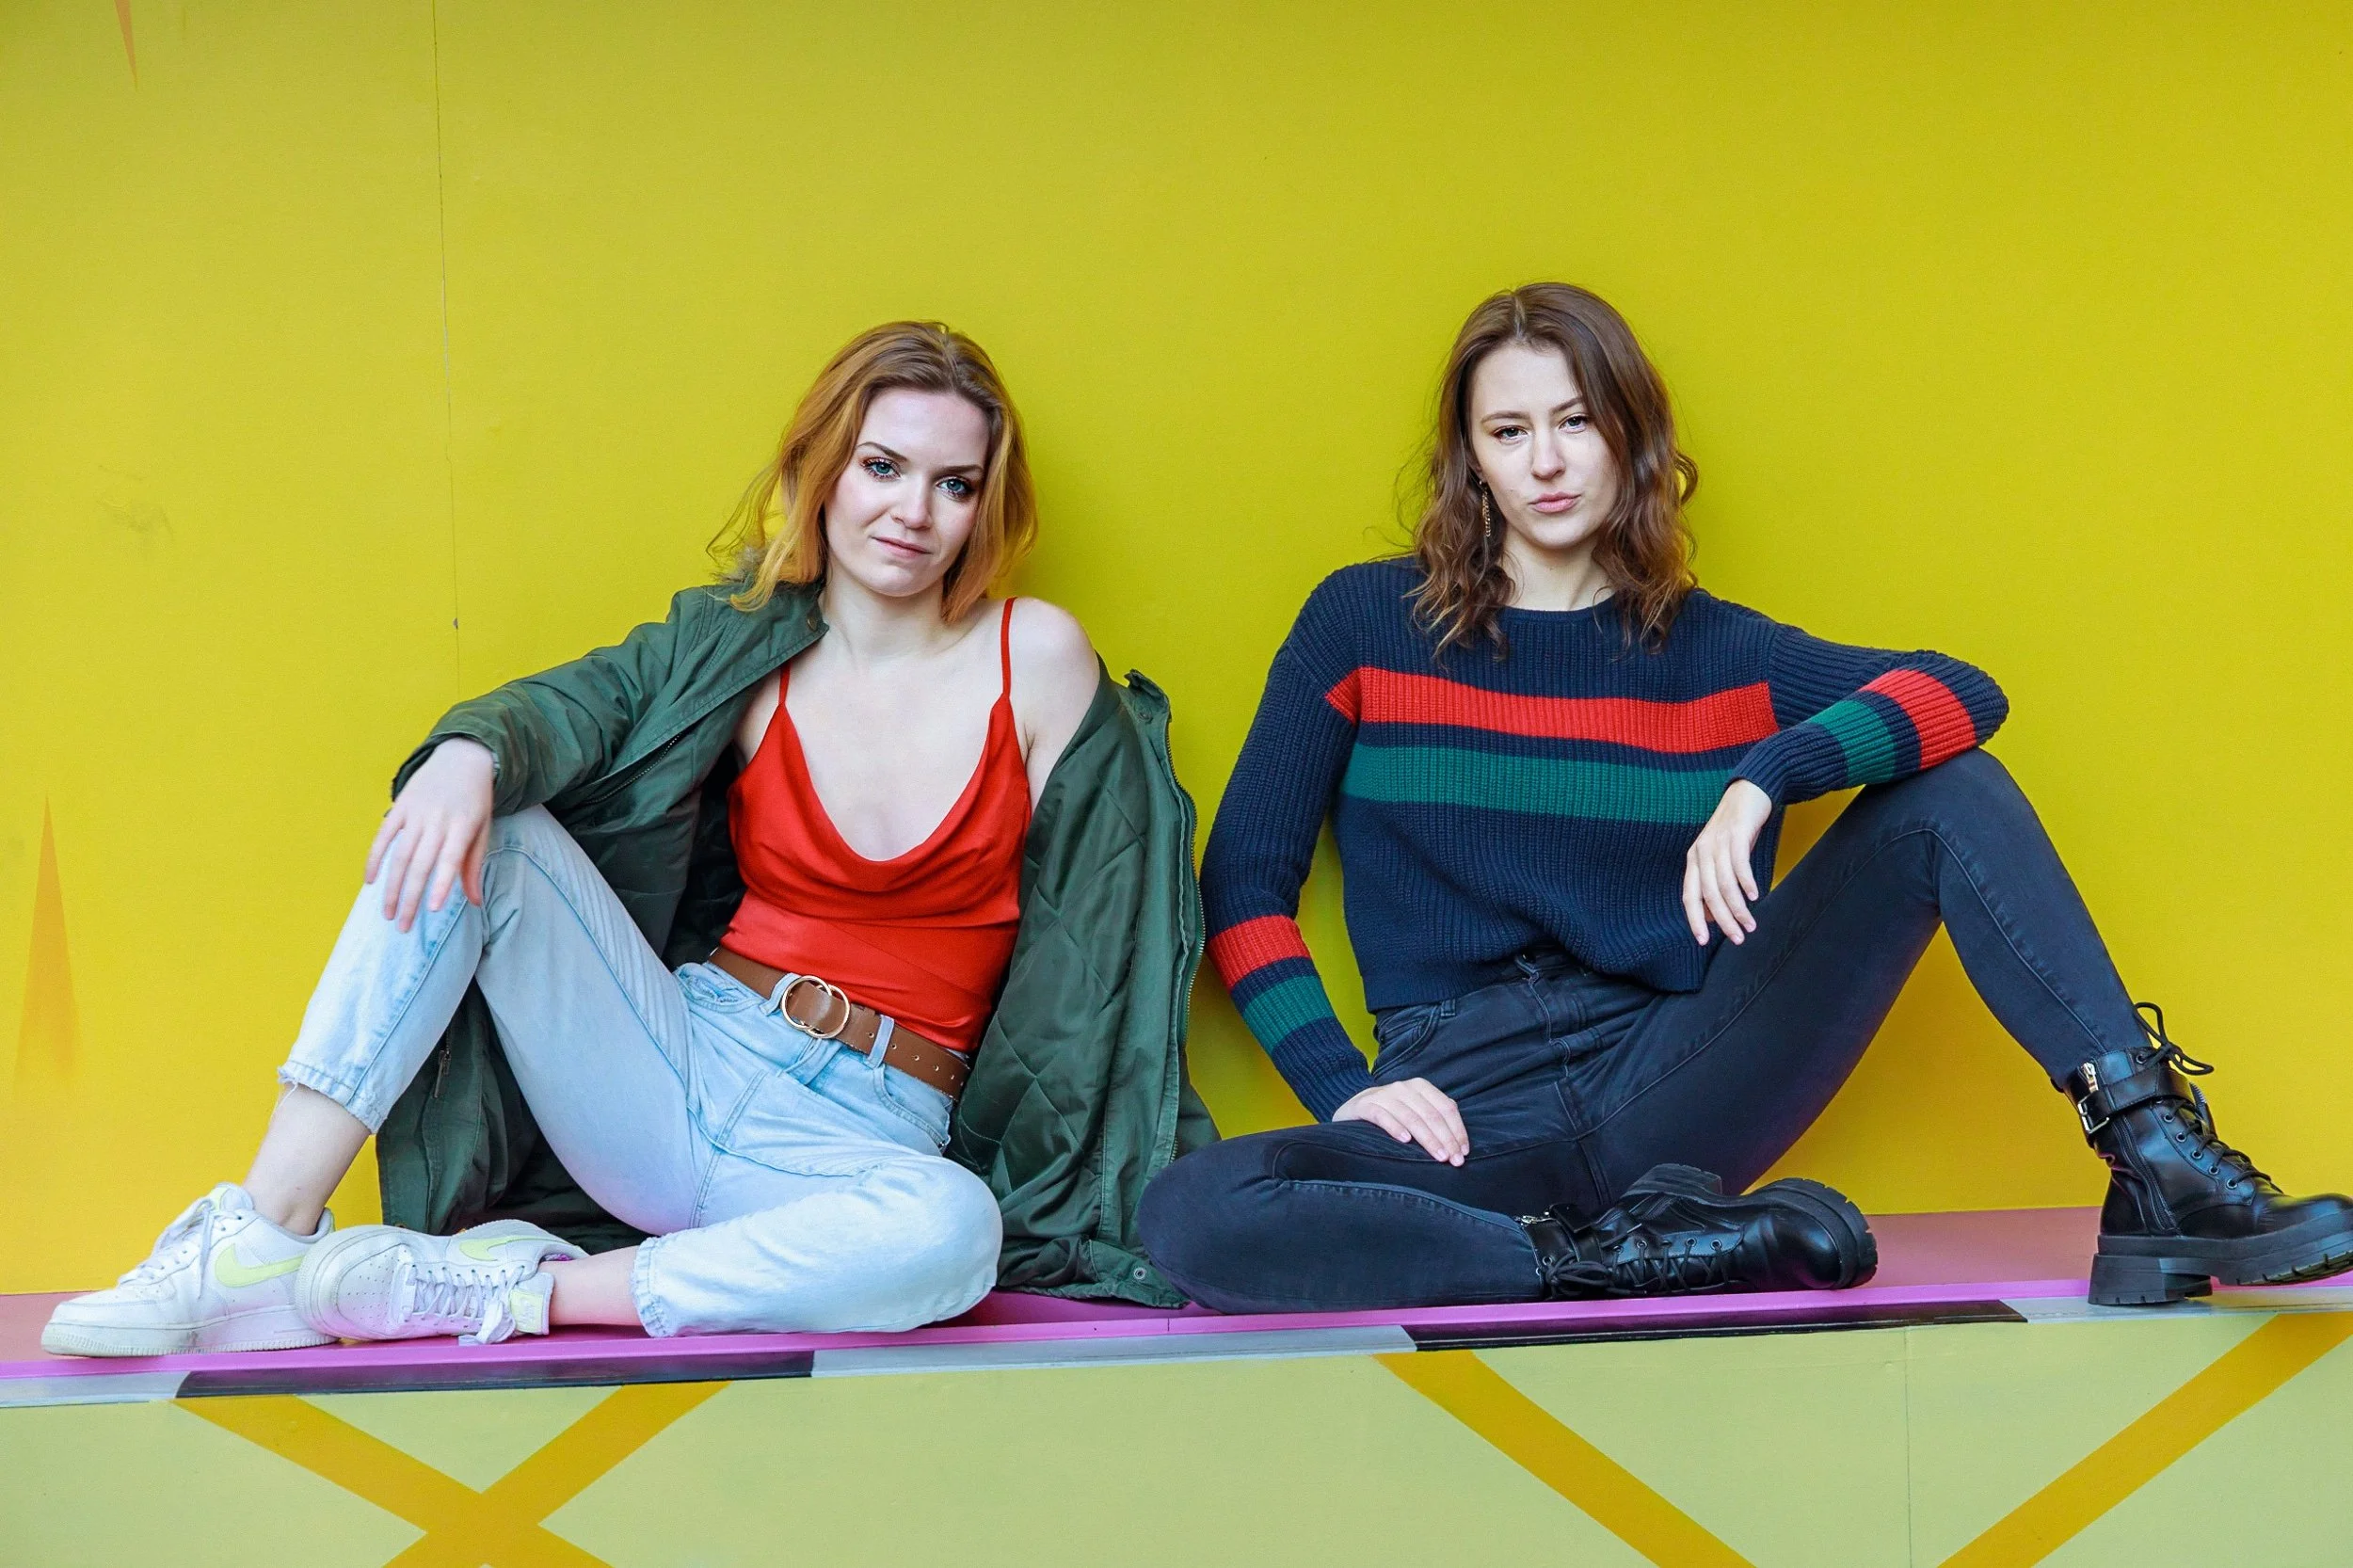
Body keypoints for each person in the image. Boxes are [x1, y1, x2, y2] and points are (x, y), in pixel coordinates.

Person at [1138, 282, 2353, 1314]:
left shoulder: (1717, 650)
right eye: (1509, 431)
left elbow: (1961, 693)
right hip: (1462, 1111)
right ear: (1473, 456)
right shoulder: (1364, 622)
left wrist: (1766, 774)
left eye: (1575, 420)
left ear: (1632, 435)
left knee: (1951, 791)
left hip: (1677, 1076)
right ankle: (1619, 1258)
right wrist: (1346, 1085)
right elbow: (1245, 884)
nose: (1547, 461)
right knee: (1194, 1212)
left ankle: (2152, 1156)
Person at [47, 321, 1209, 1357]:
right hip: (676, 1067)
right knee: (481, 828)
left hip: (857, 1135)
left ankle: (502, 1291)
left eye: (955, 484)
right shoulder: (741, 641)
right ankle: (257, 1238)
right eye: (883, 466)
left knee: (953, 1232)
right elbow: (580, 705)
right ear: (824, 469)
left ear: (984, 505)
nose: (913, 511)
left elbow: (1105, 927)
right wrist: (468, 755)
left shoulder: (1035, 657)